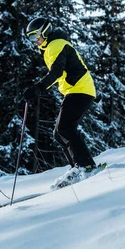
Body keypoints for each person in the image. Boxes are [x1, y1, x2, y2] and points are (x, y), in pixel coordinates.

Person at [23, 17, 98, 172]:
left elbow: (56, 72)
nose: (34, 40)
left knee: (65, 128)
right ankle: (78, 167)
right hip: (78, 90)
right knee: (59, 132)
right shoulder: (51, 46)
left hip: (79, 89)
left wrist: (37, 88)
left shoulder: (56, 44)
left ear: (45, 31)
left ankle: (86, 165)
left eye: (35, 36)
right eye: (30, 37)